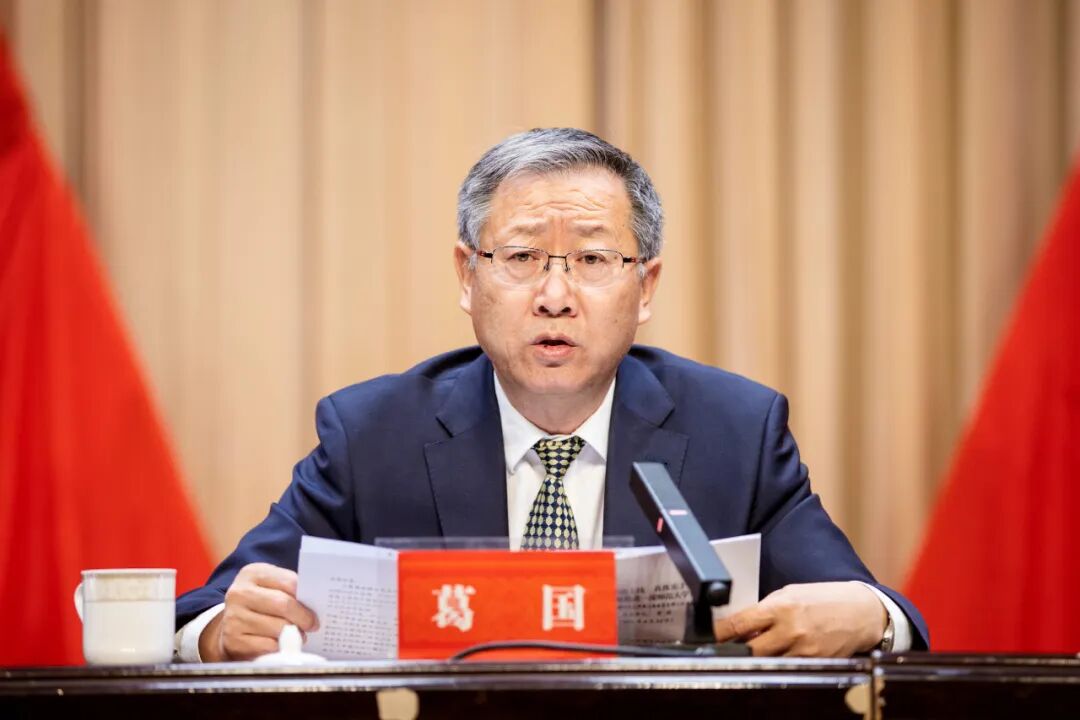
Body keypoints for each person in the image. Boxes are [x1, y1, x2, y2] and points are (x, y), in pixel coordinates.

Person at [175, 128, 929, 661]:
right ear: (468, 276)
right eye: (523, 257)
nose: (555, 296)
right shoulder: (373, 435)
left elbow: (872, 610)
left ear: (645, 288)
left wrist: (872, 615)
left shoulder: (736, 431)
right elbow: (208, 614)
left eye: (594, 260)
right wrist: (218, 635)